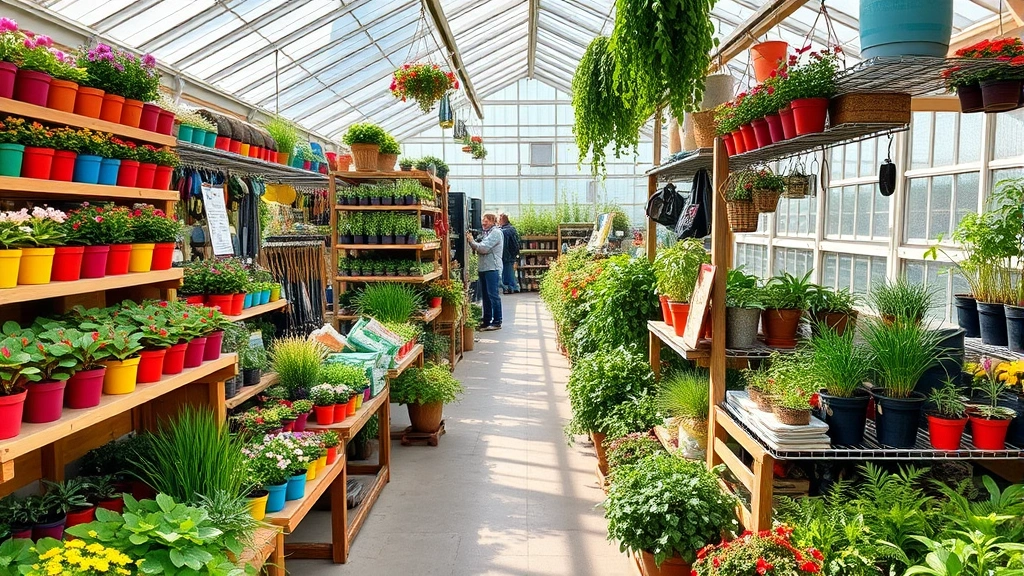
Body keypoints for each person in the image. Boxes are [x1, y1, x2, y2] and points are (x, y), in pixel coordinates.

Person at [468, 213, 504, 331]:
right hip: (484, 268)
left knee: (493, 295)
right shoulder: (486, 233)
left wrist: (472, 242)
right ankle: (486, 320)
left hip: (492, 268)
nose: (483, 223)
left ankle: (497, 321)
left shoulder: (496, 233)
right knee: (486, 296)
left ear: (493, 222)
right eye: (483, 220)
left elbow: (483, 248)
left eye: (487, 221)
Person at [498, 213, 521, 294]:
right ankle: (512, 287)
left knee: (508, 271)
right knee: (508, 271)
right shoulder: (510, 228)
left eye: (498, 219)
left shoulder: (506, 230)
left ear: (501, 220)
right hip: (510, 254)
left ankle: (511, 287)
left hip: (507, 255)